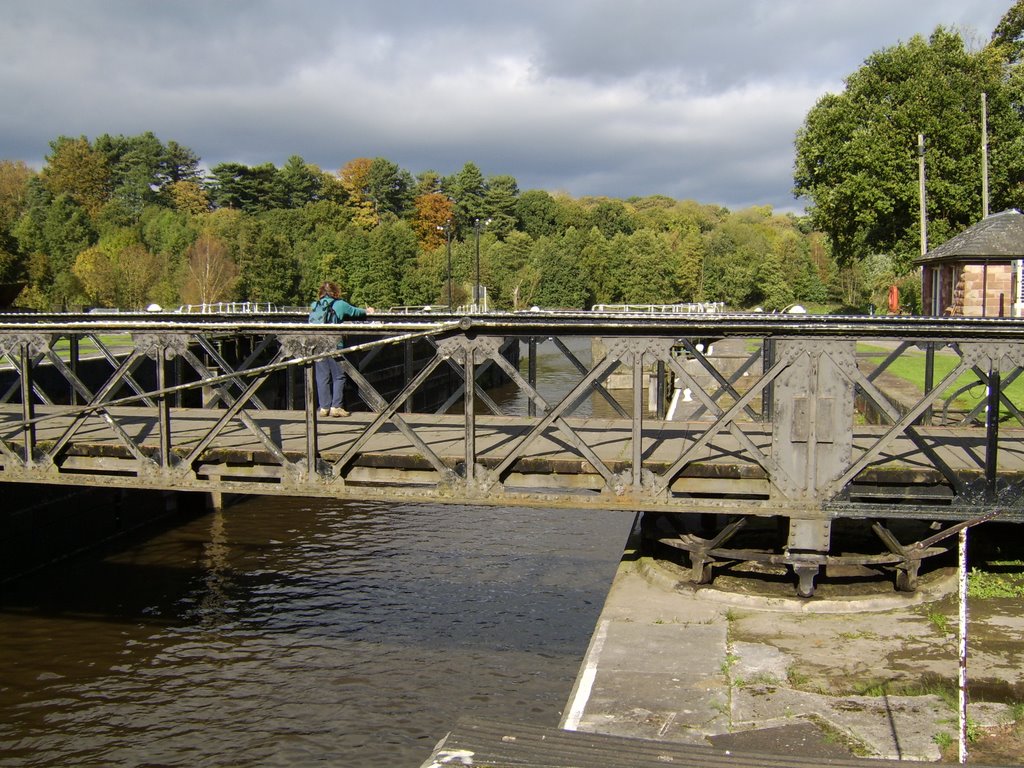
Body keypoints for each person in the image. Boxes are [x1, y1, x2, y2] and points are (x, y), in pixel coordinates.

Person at [310, 281, 374, 417]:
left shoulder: (315, 305)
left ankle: (323, 408)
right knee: (339, 376)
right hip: (334, 344)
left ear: (321, 292)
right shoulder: (340, 304)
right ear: (335, 292)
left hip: (318, 345)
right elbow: (355, 312)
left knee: (322, 377)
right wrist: (368, 311)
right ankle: (336, 406)